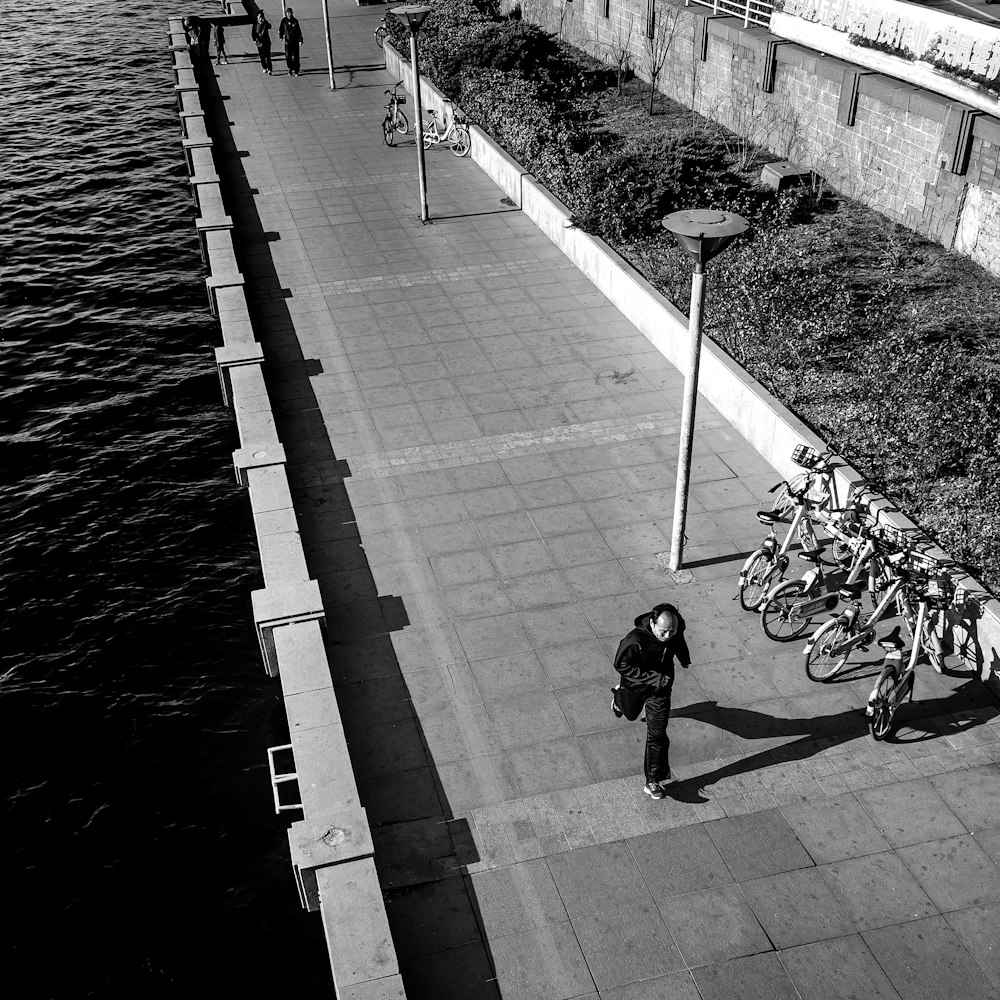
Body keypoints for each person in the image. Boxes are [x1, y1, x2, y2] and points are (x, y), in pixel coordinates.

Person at [613, 603, 691, 800]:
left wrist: (684, 658)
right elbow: (621, 665)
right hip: (635, 686)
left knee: (657, 735)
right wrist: (652, 678)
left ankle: (652, 780)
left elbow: (678, 641)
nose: (667, 636)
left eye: (671, 631)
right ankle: (618, 699)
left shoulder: (675, 629)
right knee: (630, 714)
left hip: (660, 691)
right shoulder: (635, 639)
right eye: (663, 632)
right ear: (652, 623)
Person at [278, 8, 304, 76]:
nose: (290, 14)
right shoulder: (284, 21)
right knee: (288, 56)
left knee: (296, 56)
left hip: (295, 41)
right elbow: (281, 29)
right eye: (288, 13)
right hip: (288, 41)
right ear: (286, 13)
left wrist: (300, 40)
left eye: (291, 13)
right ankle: (290, 68)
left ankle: (296, 70)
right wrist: (281, 36)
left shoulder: (295, 21)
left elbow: (298, 31)